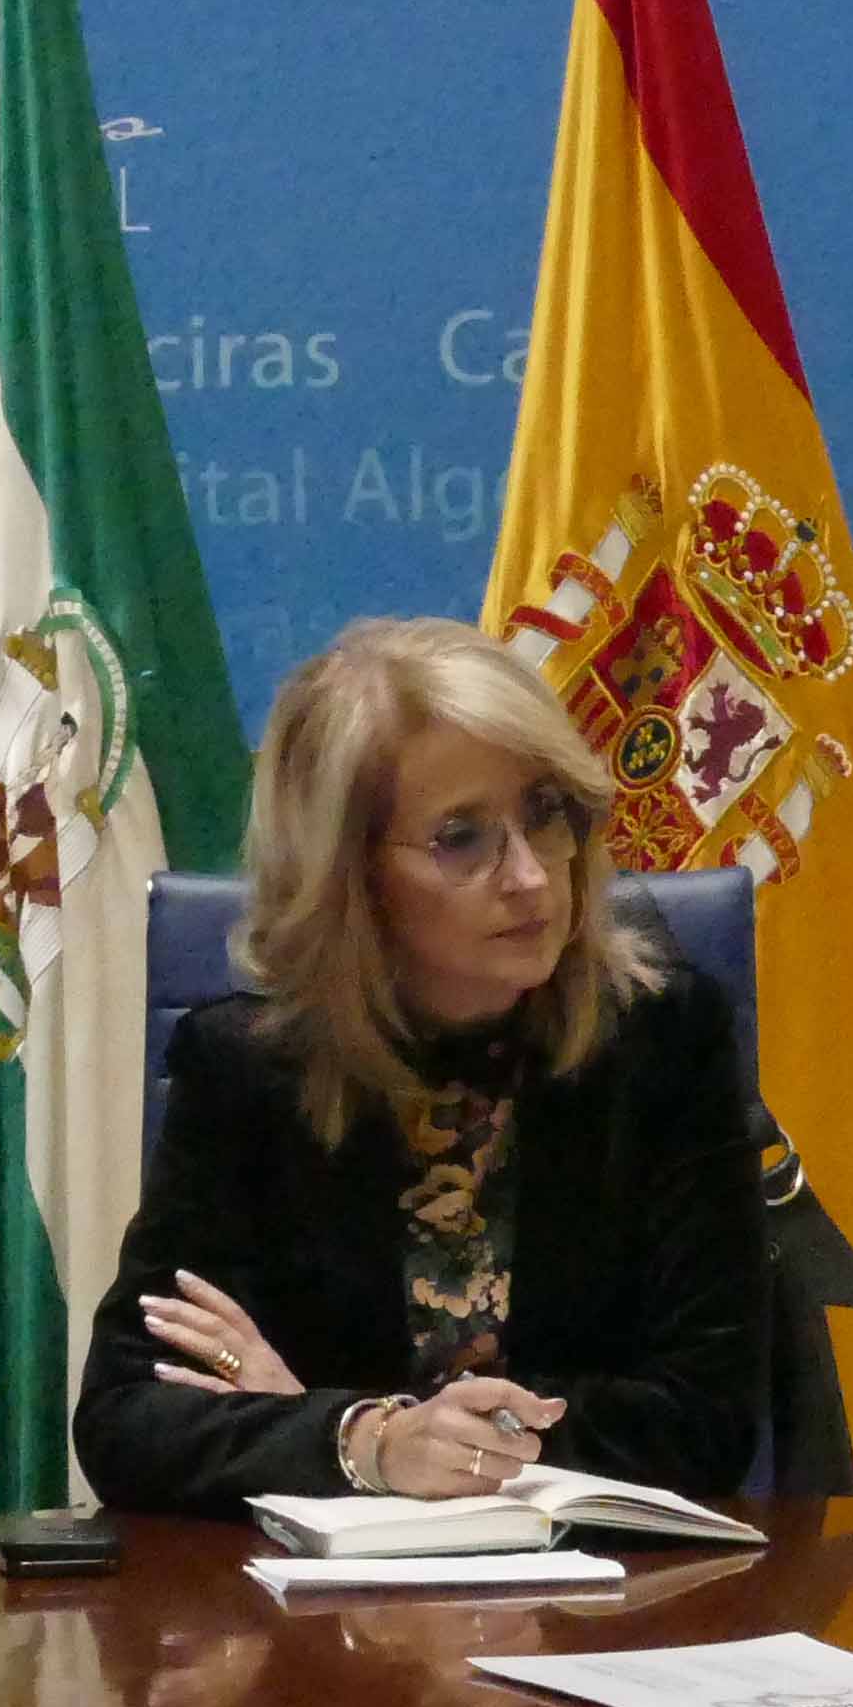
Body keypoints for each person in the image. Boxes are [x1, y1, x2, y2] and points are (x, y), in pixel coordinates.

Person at [76, 617, 765, 1514]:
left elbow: (706, 1423)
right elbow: (126, 1419)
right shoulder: (247, 1070)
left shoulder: (661, 1038)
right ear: (350, 875)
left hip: (596, 1606)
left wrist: (362, 1430)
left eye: (545, 814)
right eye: (463, 837)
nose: (527, 876)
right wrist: (367, 1439)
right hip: (315, 1624)